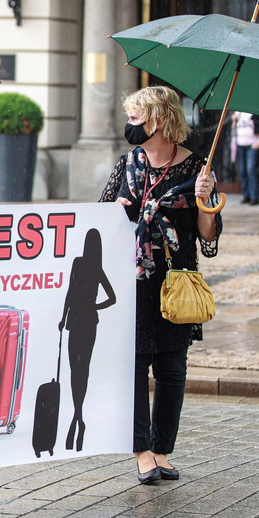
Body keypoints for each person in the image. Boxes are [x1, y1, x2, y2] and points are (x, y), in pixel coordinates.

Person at [99, 86, 221, 485]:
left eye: (138, 118)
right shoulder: (128, 164)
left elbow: (208, 236)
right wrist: (116, 215)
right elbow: (99, 224)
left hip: (175, 280)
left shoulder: (197, 170)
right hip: (132, 281)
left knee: (172, 369)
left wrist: (204, 201)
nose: (131, 125)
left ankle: (163, 449)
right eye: (130, 117)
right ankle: (141, 452)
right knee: (133, 367)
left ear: (161, 121)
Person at [58, 228, 116, 453]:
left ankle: (77, 416)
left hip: (76, 320)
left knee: (76, 369)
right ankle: (78, 418)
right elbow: (111, 298)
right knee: (84, 369)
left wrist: (63, 318)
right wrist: (94, 307)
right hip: (89, 322)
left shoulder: (79, 263)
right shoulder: (96, 267)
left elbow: (70, 292)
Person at [231, 111, 259, 205]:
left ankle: (254, 196)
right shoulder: (238, 112)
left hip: (252, 144)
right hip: (240, 144)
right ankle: (246, 194)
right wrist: (234, 120)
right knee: (242, 170)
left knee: (251, 169)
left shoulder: (257, 112)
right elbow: (234, 127)